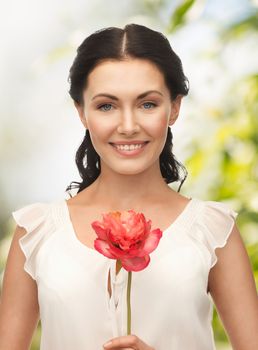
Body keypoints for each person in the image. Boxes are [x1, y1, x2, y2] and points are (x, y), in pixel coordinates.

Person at [0, 23, 257, 350]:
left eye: (147, 104)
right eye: (106, 106)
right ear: (81, 111)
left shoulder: (213, 231)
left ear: (174, 108)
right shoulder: (36, 232)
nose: (128, 126)